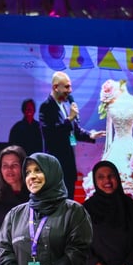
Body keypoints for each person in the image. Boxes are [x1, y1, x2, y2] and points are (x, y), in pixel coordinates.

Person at [38, 72, 104, 200]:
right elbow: (51, 134)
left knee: (69, 203)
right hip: (56, 168)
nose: (70, 90)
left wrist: (91, 135)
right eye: (67, 87)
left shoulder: (64, 106)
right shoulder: (46, 107)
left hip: (68, 166)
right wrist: (69, 118)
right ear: (55, 87)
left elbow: (74, 131)